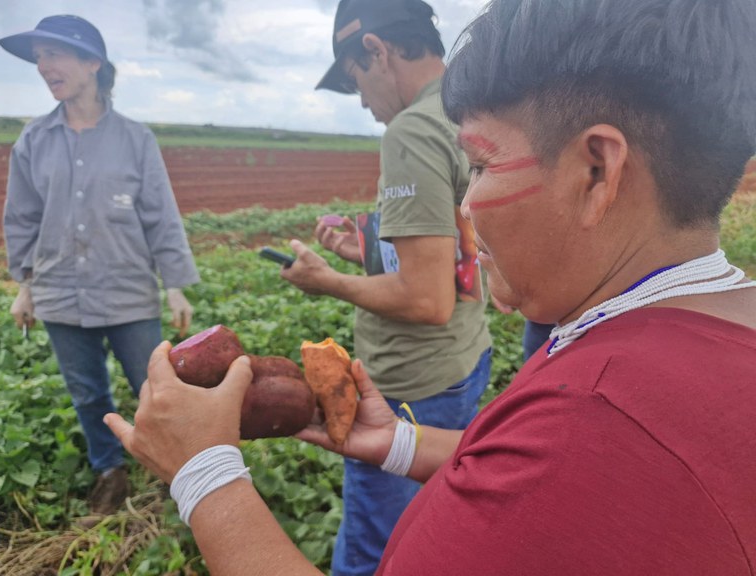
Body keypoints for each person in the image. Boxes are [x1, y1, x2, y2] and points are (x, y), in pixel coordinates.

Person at [106, 0, 756, 573]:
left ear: (596, 171)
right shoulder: (704, 327)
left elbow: (540, 452)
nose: (465, 208)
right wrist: (399, 443)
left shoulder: (590, 425)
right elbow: (511, 470)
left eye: (479, 165)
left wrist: (206, 477)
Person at [279, 1, 493, 572]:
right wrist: (366, 252)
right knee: (433, 523)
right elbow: (461, 250)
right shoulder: (468, 110)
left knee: (372, 552)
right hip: (463, 360)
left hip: (409, 385)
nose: (364, 104)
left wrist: (327, 281)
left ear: (376, 51)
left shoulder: (412, 129)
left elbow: (426, 299)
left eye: (356, 81)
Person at [0, 15, 199, 516]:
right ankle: (110, 471)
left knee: (155, 388)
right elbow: (22, 218)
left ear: (93, 63)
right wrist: (25, 286)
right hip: (59, 292)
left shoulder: (135, 138)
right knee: (87, 394)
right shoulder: (33, 140)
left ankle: (182, 472)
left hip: (128, 290)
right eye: (39, 57)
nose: (44, 66)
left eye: (54, 54)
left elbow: (160, 215)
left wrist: (175, 285)